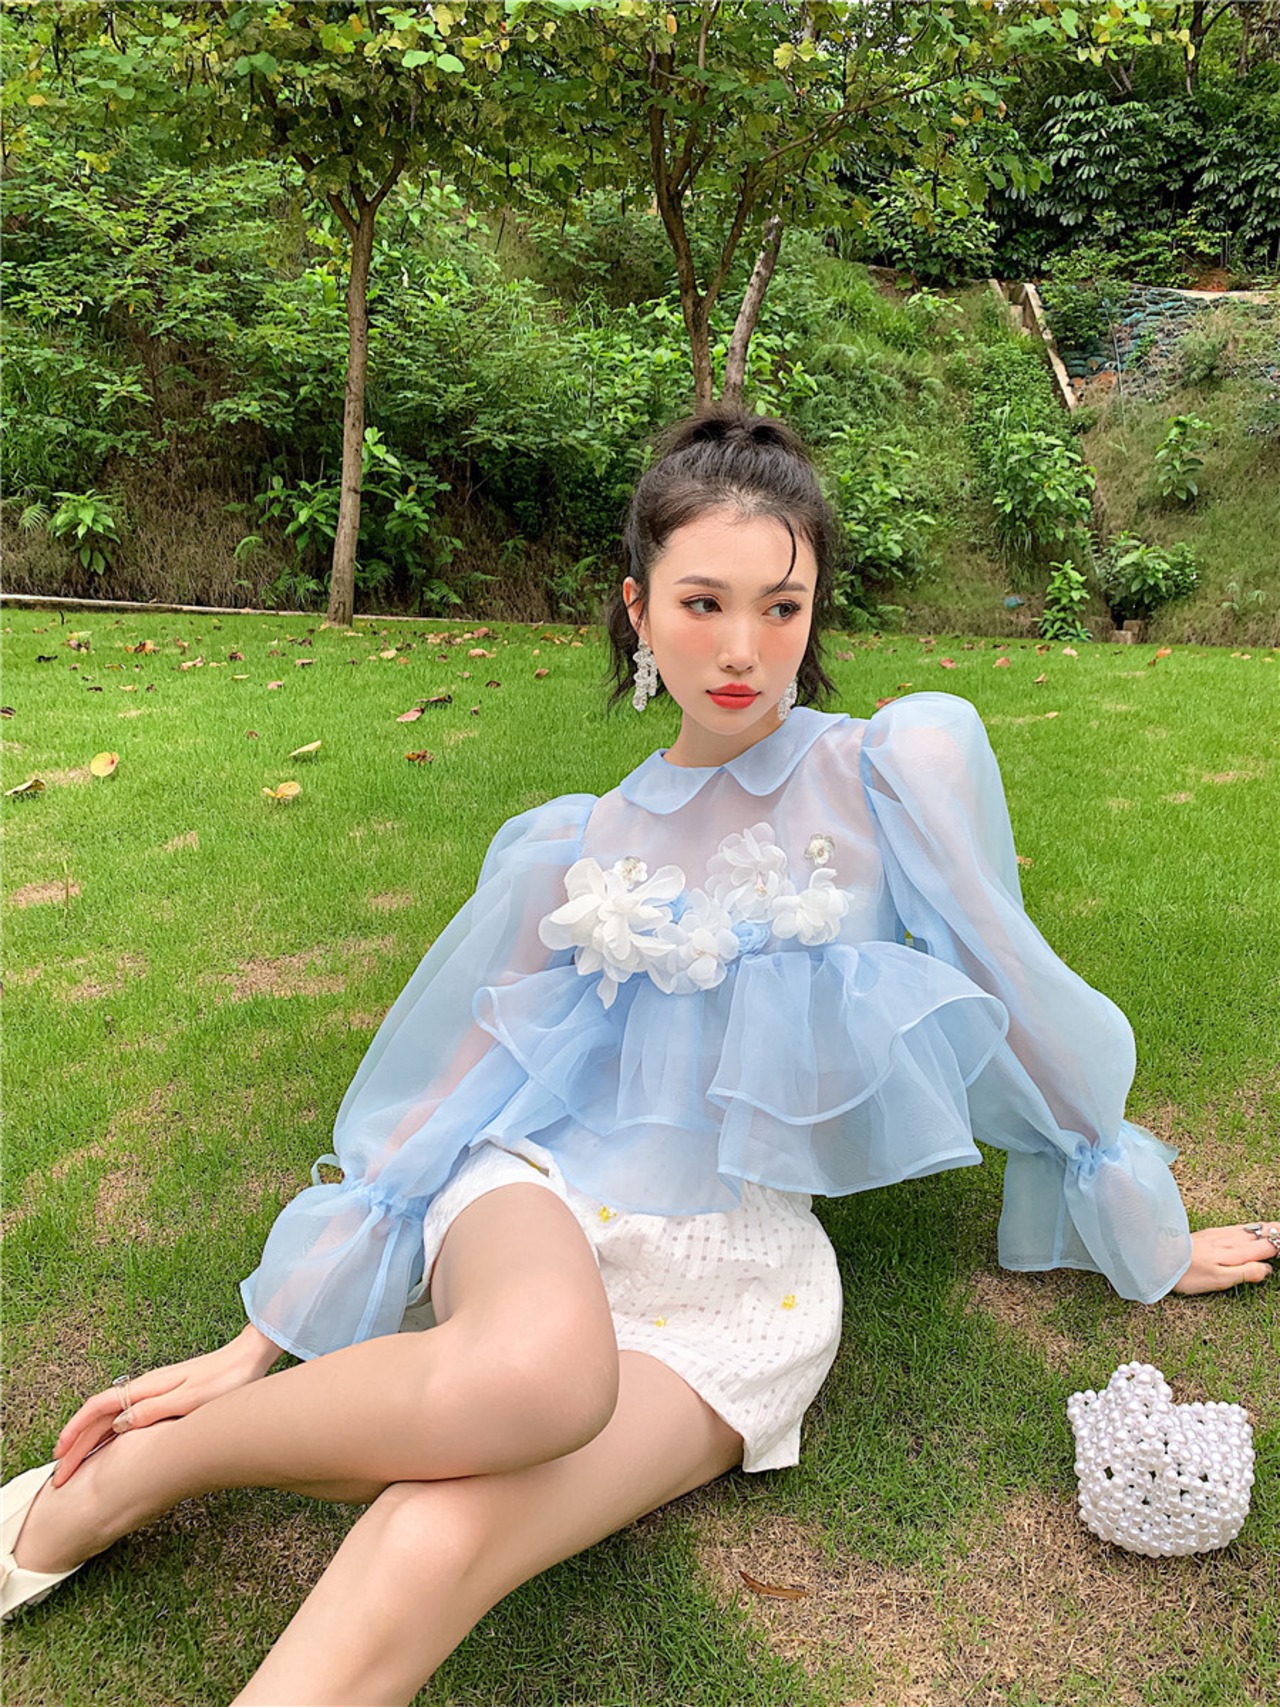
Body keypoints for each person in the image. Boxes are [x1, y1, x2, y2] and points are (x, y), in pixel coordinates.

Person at [3, 404, 1275, 1705]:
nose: (741, 649)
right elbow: (456, 1078)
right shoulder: (572, 843)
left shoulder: (893, 769)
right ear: (638, 607)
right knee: (537, 1374)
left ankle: (158, 1493)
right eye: (702, 602)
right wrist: (258, 1340)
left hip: (741, 1278)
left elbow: (1011, 980)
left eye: (781, 608)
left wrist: (1135, 1221)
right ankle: (137, 1471)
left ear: (816, 609)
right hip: (538, 1194)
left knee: (439, 1535)